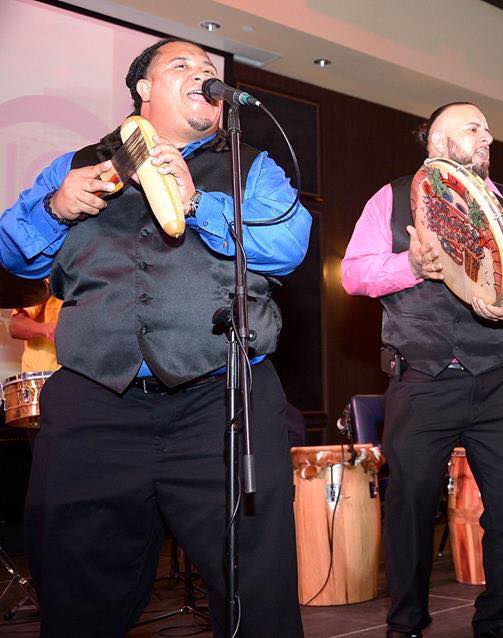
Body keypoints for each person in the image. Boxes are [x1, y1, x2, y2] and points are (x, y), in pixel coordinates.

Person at [0, 38, 311, 637]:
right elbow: (14, 255)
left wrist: (198, 204)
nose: (203, 74)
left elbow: (288, 243)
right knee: (75, 588)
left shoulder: (250, 164)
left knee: (256, 588)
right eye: (183, 65)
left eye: (209, 68)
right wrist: (56, 208)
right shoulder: (74, 166)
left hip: (221, 400)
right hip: (96, 404)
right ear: (142, 89)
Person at [341, 102, 503, 638]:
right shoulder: (391, 196)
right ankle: (405, 622)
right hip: (422, 375)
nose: (488, 136)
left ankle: (500, 620)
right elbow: (353, 274)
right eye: (473, 128)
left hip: (499, 375)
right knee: (409, 504)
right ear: (435, 142)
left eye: (488, 127)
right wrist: (407, 265)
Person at [9, 290, 62, 373]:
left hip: (81, 374)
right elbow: (16, 325)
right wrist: (48, 330)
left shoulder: (88, 291)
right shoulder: (44, 282)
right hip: (41, 377)